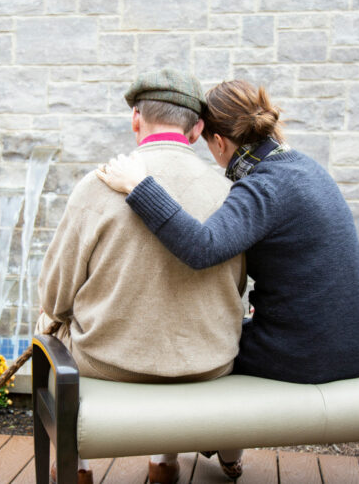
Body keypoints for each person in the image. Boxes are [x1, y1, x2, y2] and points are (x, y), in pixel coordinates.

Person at [96, 79, 359, 386]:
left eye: (209, 145)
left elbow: (202, 248)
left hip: (305, 356)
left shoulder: (263, 186)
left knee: (197, 350)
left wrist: (139, 186)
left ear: (219, 142)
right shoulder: (305, 168)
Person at [36, 69, 247, 484]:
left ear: (136, 119)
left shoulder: (97, 186)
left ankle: (78, 468)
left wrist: (52, 315)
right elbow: (237, 287)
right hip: (207, 362)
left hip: (109, 363)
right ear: (197, 128)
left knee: (47, 319)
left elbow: (56, 294)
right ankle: (164, 461)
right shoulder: (229, 191)